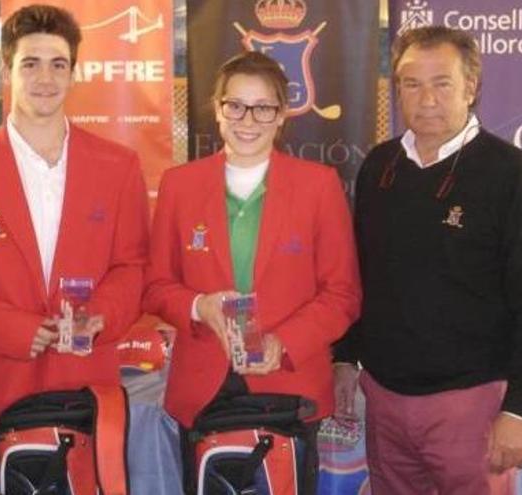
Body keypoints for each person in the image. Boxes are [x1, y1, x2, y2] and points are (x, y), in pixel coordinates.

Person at [334, 25, 522, 495]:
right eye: (411, 83)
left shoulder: (513, 176)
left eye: (442, 82)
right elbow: (362, 275)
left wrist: (520, 409)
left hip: (472, 405)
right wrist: (344, 357)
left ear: (472, 86)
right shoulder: (380, 166)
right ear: (396, 88)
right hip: (384, 398)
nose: (426, 99)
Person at [0, 4, 149, 488]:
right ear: (6, 70)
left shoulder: (119, 167)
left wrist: (101, 315)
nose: (45, 78)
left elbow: (133, 265)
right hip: (2, 389)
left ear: (74, 71)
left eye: (58, 63)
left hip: (90, 391)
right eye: (30, 63)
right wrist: (19, 329)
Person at [143, 51, 361, 493]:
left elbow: (342, 295)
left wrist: (284, 342)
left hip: (289, 387)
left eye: (264, 107)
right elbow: (155, 287)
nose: (248, 119)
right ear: (218, 109)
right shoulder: (179, 186)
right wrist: (199, 306)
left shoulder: (318, 185)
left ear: (281, 115)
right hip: (203, 389)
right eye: (235, 105)